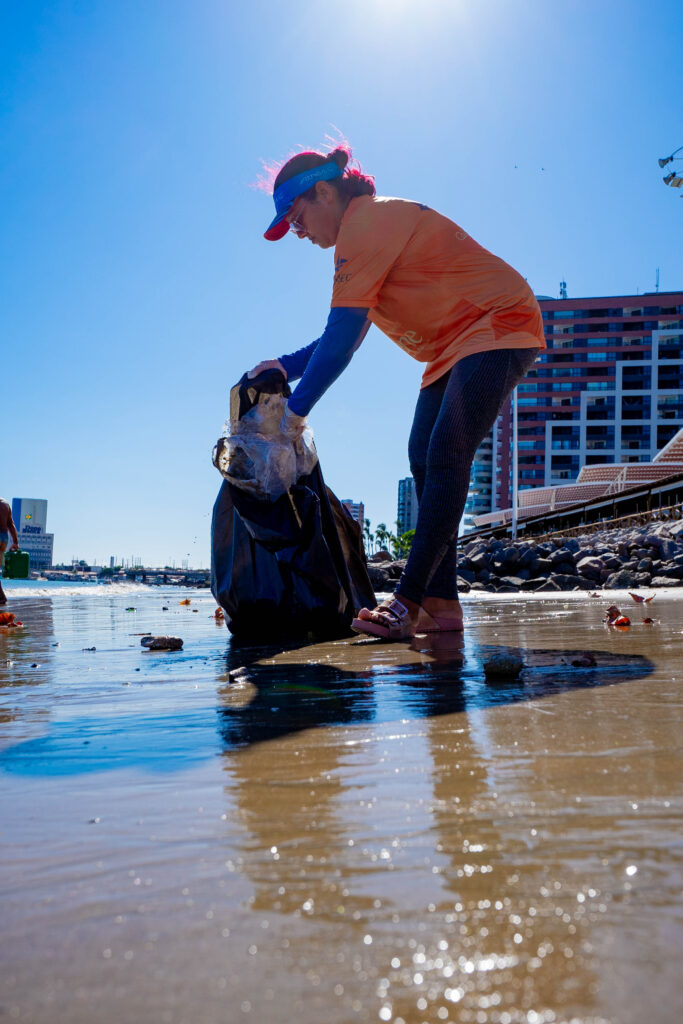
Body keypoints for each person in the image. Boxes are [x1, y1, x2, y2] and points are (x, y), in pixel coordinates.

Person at [248, 145, 545, 640]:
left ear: (325, 191)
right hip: (451, 344)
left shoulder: (364, 224)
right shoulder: (359, 236)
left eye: (298, 220)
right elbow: (343, 331)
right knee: (422, 456)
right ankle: (441, 605)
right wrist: (285, 366)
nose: (299, 234)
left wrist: (293, 418)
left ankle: (407, 601)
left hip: (498, 320)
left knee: (447, 448)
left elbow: (343, 336)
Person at [0, 497, 20, 605]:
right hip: (4, 538)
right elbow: (11, 525)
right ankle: (1, 597)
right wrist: (16, 542)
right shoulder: (5, 504)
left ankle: (2, 597)